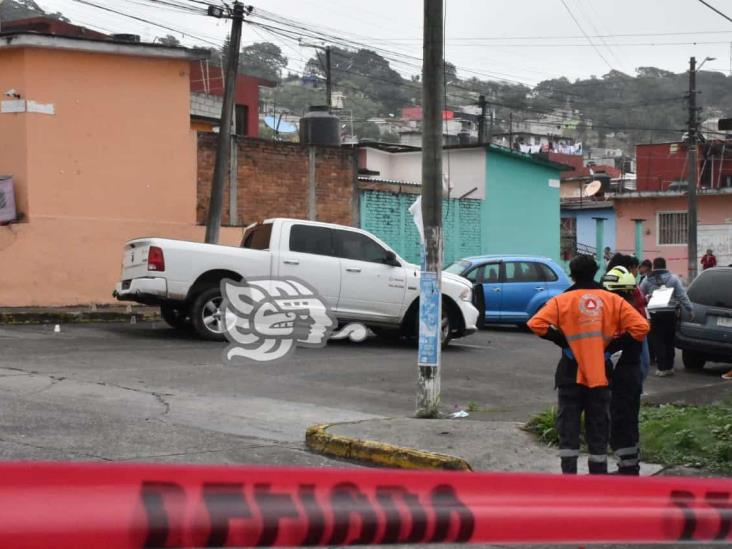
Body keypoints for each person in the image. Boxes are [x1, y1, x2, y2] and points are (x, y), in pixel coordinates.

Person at [527, 255, 649, 475]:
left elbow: (536, 323)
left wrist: (564, 341)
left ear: (572, 274)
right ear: (595, 272)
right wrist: (611, 347)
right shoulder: (612, 300)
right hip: (599, 373)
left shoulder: (562, 300)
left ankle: (569, 477)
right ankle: (598, 477)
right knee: (599, 425)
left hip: (570, 372)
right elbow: (641, 327)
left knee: (569, 427)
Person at [602, 266, 645, 475]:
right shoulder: (629, 309)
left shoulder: (623, 314)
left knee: (621, 421)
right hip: (629, 373)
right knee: (626, 420)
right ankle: (629, 465)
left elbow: (619, 341)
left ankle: (627, 470)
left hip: (624, 375)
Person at [639, 257, 694, 377]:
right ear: (665, 265)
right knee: (669, 340)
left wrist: (649, 297)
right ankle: (670, 367)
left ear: (654, 266)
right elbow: (682, 296)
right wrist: (690, 310)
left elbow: (641, 296)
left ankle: (662, 368)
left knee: (658, 340)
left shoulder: (647, 280)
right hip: (670, 313)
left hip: (655, 313)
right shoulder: (674, 279)